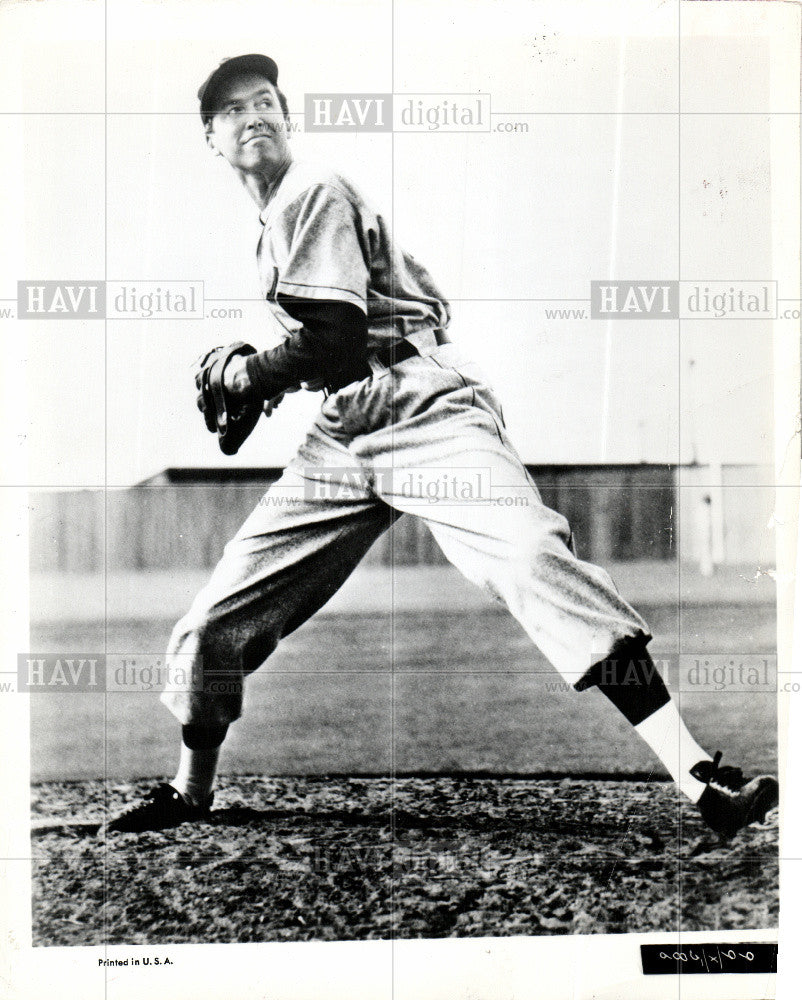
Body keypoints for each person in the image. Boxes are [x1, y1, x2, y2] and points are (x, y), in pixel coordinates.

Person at [107, 54, 778, 840]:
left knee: (531, 556)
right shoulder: (270, 232)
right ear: (210, 140)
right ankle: (191, 790)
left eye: (265, 101)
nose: (251, 113)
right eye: (229, 110)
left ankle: (699, 777)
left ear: (287, 120)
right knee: (215, 617)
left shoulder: (311, 188)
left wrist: (252, 373)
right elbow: (329, 354)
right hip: (347, 428)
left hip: (424, 408)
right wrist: (270, 378)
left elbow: (335, 338)